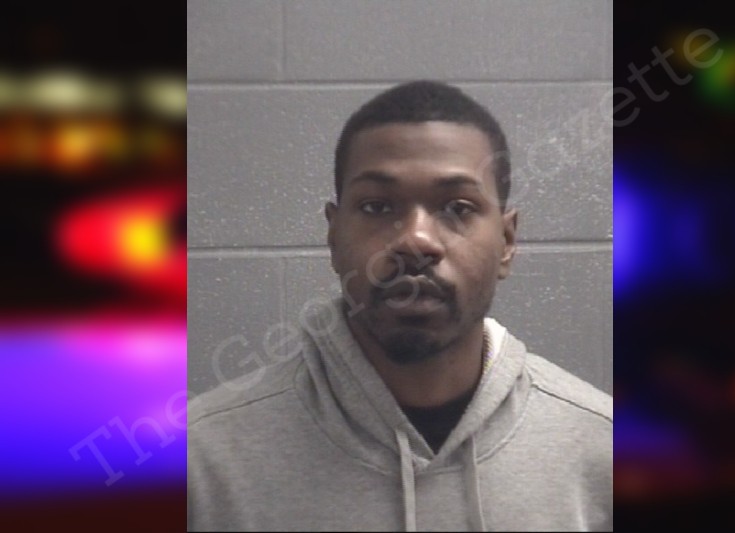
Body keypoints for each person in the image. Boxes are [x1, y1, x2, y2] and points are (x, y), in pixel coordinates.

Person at [188, 81, 612, 531]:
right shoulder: (200, 463)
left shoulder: (604, 451)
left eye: (458, 207)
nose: (416, 240)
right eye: (376, 207)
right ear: (333, 234)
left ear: (506, 242)